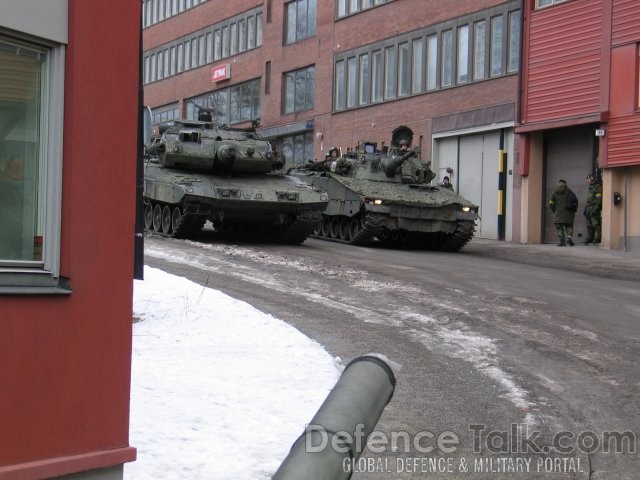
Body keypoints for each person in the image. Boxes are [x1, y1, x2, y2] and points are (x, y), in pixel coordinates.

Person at [549, 179, 578, 246]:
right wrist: (573, 210)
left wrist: (555, 211)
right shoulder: (570, 192)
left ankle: (562, 242)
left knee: (559, 228)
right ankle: (569, 237)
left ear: (559, 184)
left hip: (558, 214)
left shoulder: (555, 193)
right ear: (565, 184)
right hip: (569, 214)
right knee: (569, 226)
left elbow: (551, 203)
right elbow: (575, 201)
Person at [583, 174, 602, 245]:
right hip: (589, 209)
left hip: (594, 209)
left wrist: (596, 208)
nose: (587, 181)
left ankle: (597, 238)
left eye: (587, 179)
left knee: (595, 225)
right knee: (589, 225)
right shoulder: (590, 188)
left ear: (591, 179)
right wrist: (586, 209)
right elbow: (589, 200)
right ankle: (589, 238)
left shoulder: (597, 187)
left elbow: (599, 199)